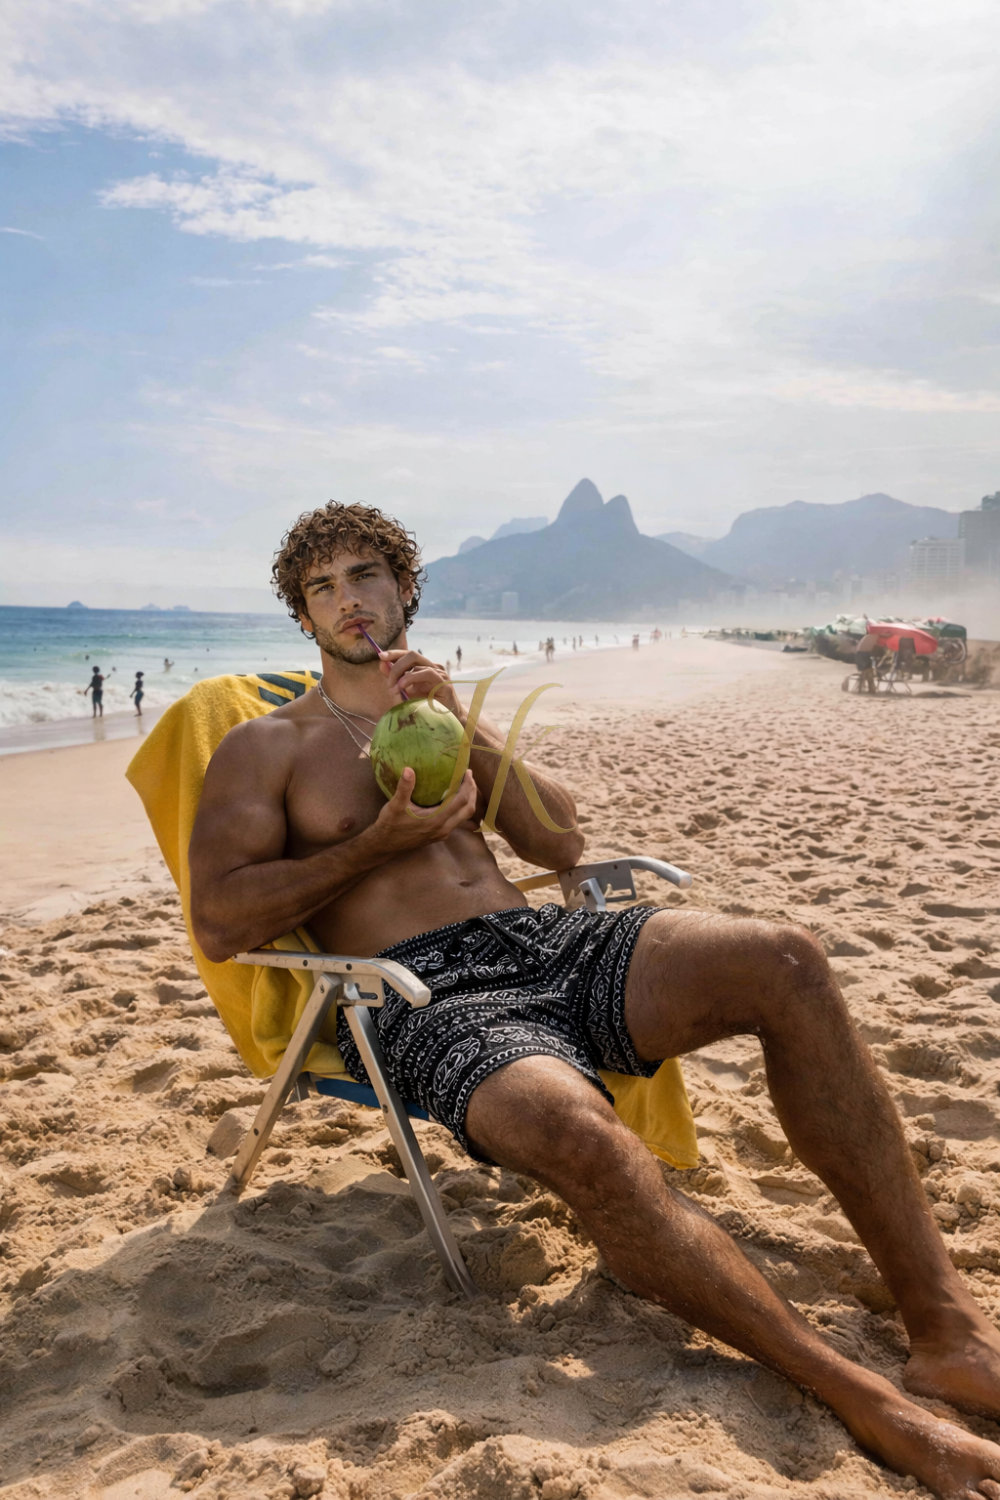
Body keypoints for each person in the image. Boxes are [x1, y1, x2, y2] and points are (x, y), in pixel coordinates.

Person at [189, 501, 1000, 1500]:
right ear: (301, 616)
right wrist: (371, 849)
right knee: (573, 1130)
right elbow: (222, 919)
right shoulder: (268, 746)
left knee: (785, 958)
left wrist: (468, 733)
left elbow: (561, 846)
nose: (348, 600)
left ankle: (946, 1331)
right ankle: (862, 1396)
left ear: (404, 589)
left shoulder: (447, 711)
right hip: (419, 993)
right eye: (321, 588)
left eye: (365, 576)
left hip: (538, 940)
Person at [855, 629, 880, 694]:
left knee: (866, 671)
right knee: (869, 671)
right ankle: (871, 689)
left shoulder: (867, 636)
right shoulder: (875, 636)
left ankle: (866, 688)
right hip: (864, 654)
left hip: (859, 653)